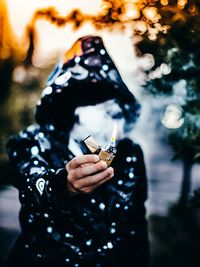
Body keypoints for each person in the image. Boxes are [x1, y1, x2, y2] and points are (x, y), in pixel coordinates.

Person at [6, 35, 149, 267]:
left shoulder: (130, 153)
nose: (115, 118)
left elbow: (136, 224)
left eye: (117, 110)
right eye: (104, 109)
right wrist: (64, 184)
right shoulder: (34, 142)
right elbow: (32, 185)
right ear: (75, 109)